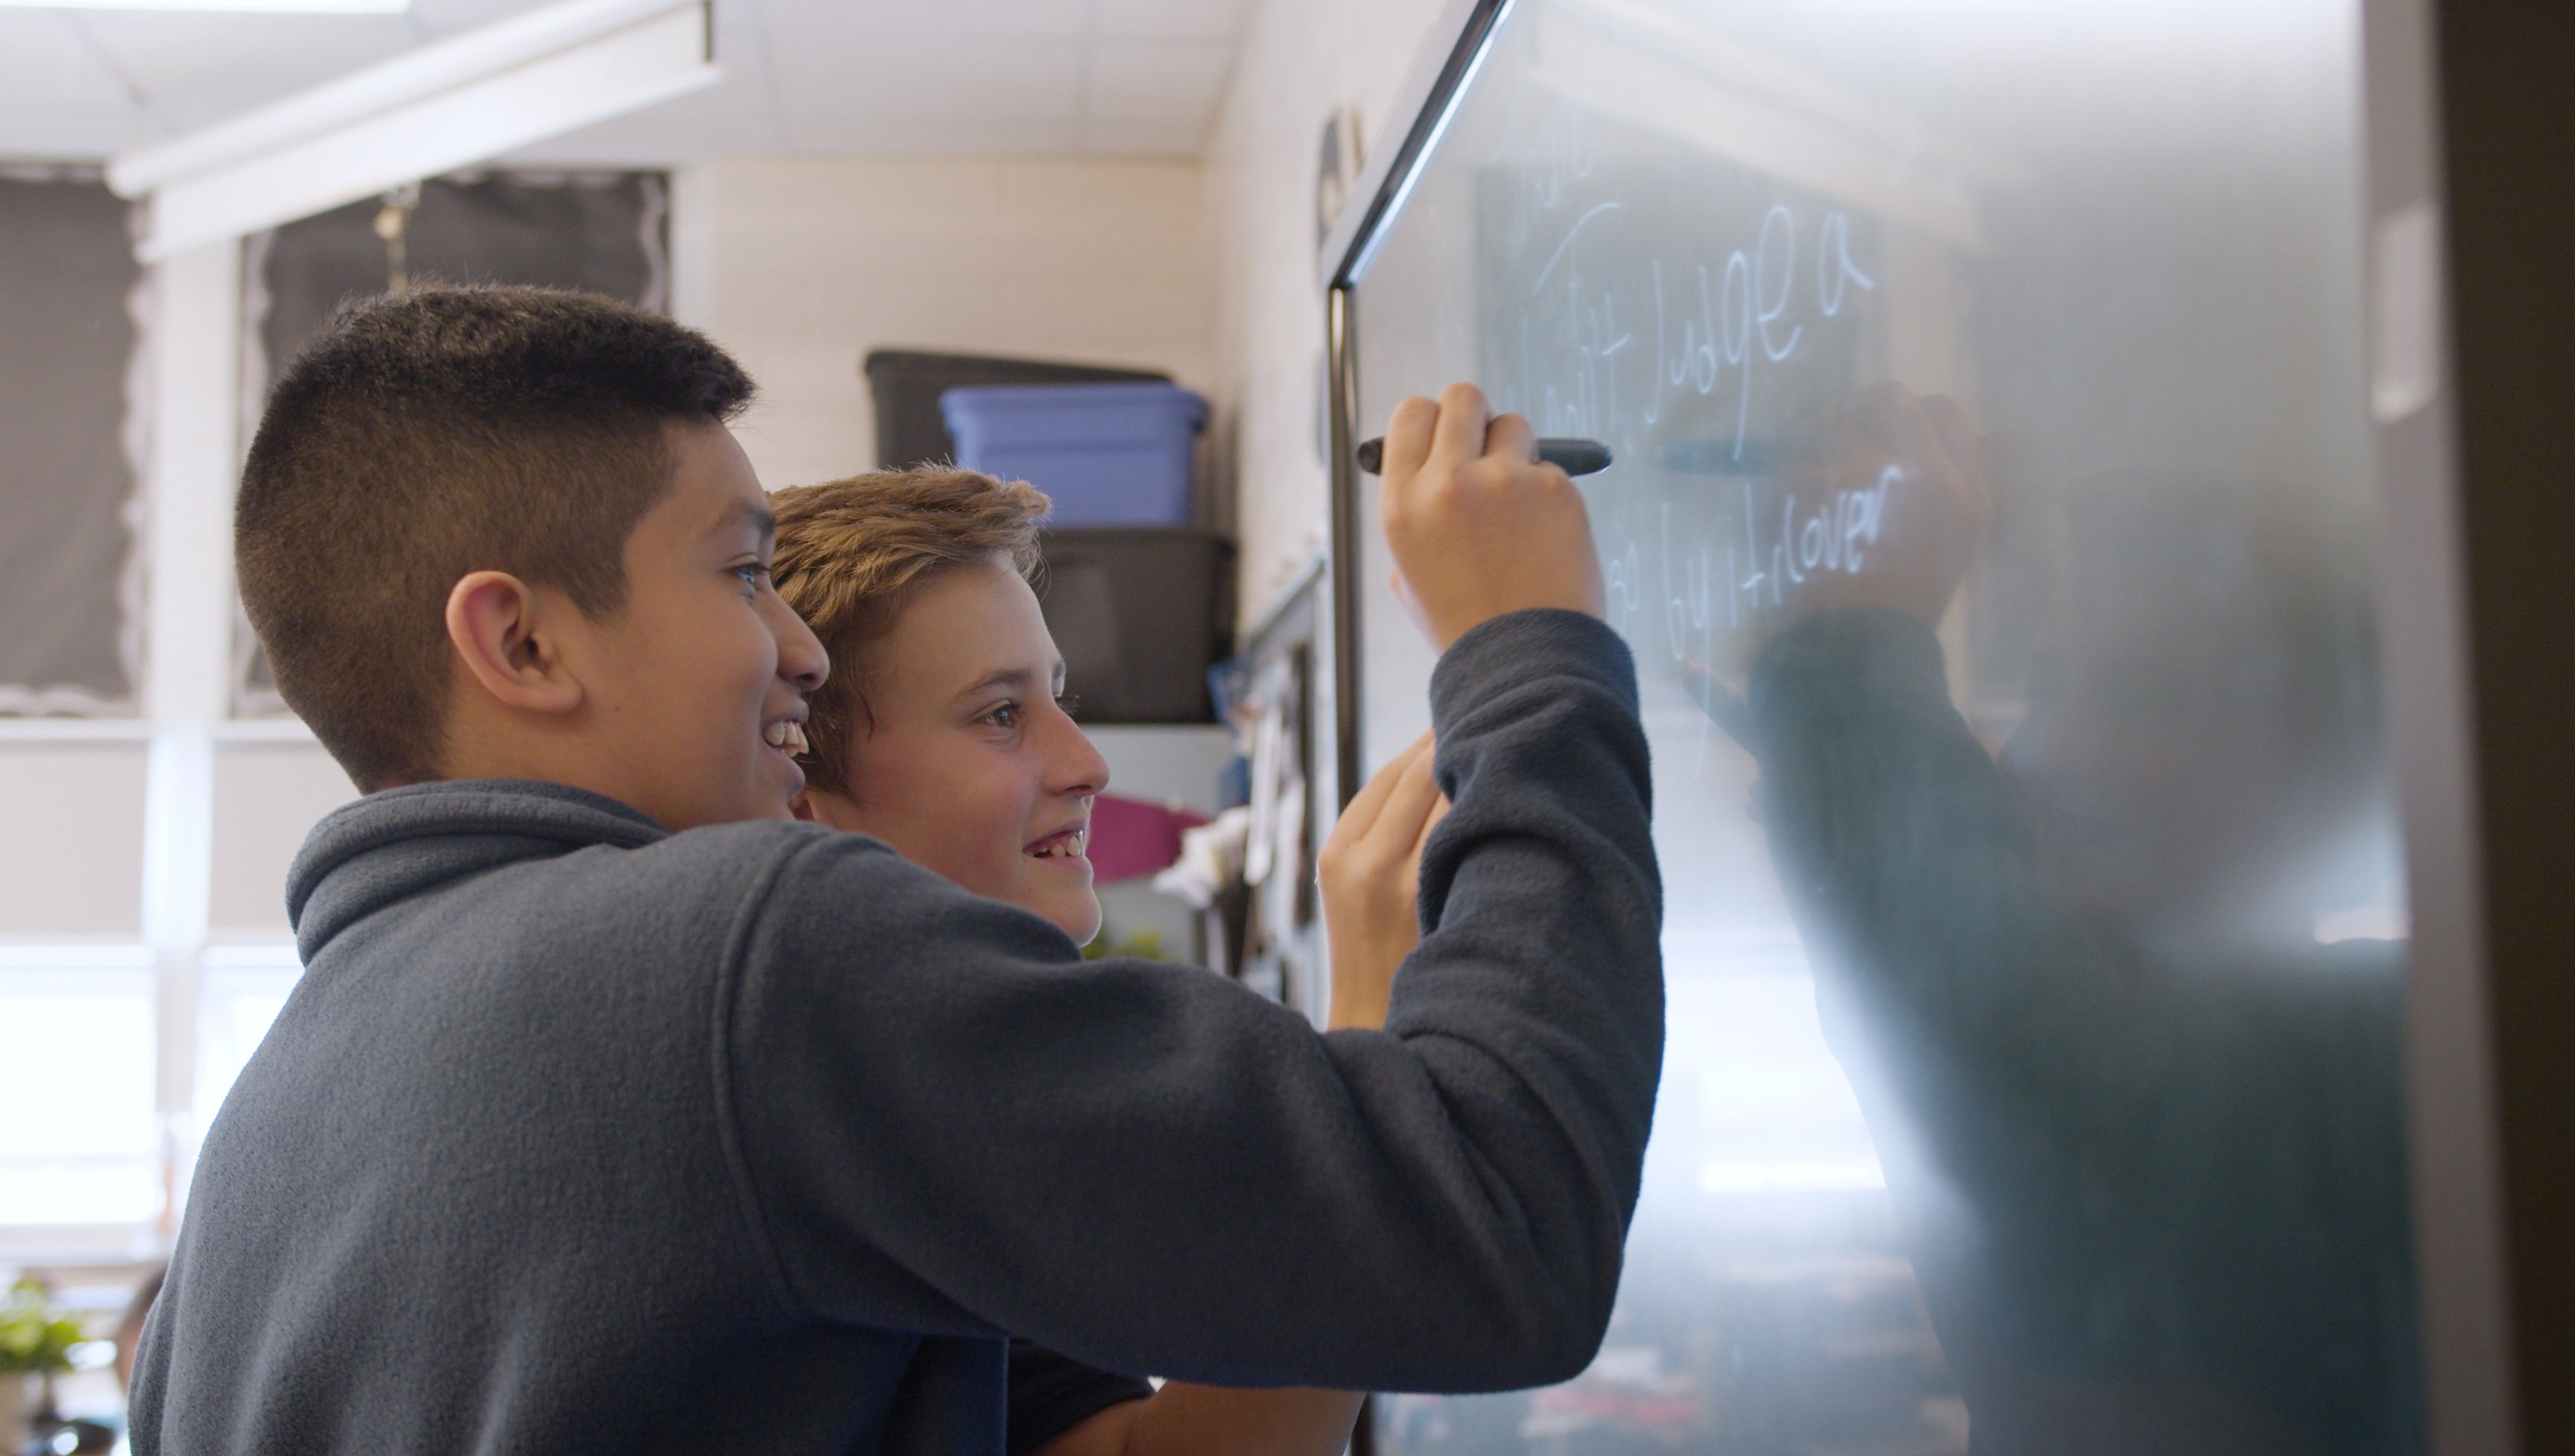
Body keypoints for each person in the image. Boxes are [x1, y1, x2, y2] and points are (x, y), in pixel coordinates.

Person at [128, 285, 1666, 1455]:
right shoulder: (735, 954)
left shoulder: (262, 1151)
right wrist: (1529, 658)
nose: (792, 644)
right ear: (521, 641)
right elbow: (1500, 1228)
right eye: (741, 575)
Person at [1719, 386, 2416, 1455]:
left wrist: (1846, 664)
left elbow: (2054, 1092)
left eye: (2147, 699)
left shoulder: (2400, 1061)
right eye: (2048, 688)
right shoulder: (2126, 1035)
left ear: (2333, 772)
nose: (2053, 752)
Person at [766, 464, 1450, 1456]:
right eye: (1001, 714)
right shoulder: (798, 1102)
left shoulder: (952, 1106)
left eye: (1055, 697)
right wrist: (1373, 1023)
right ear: (800, 794)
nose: (1088, 763)